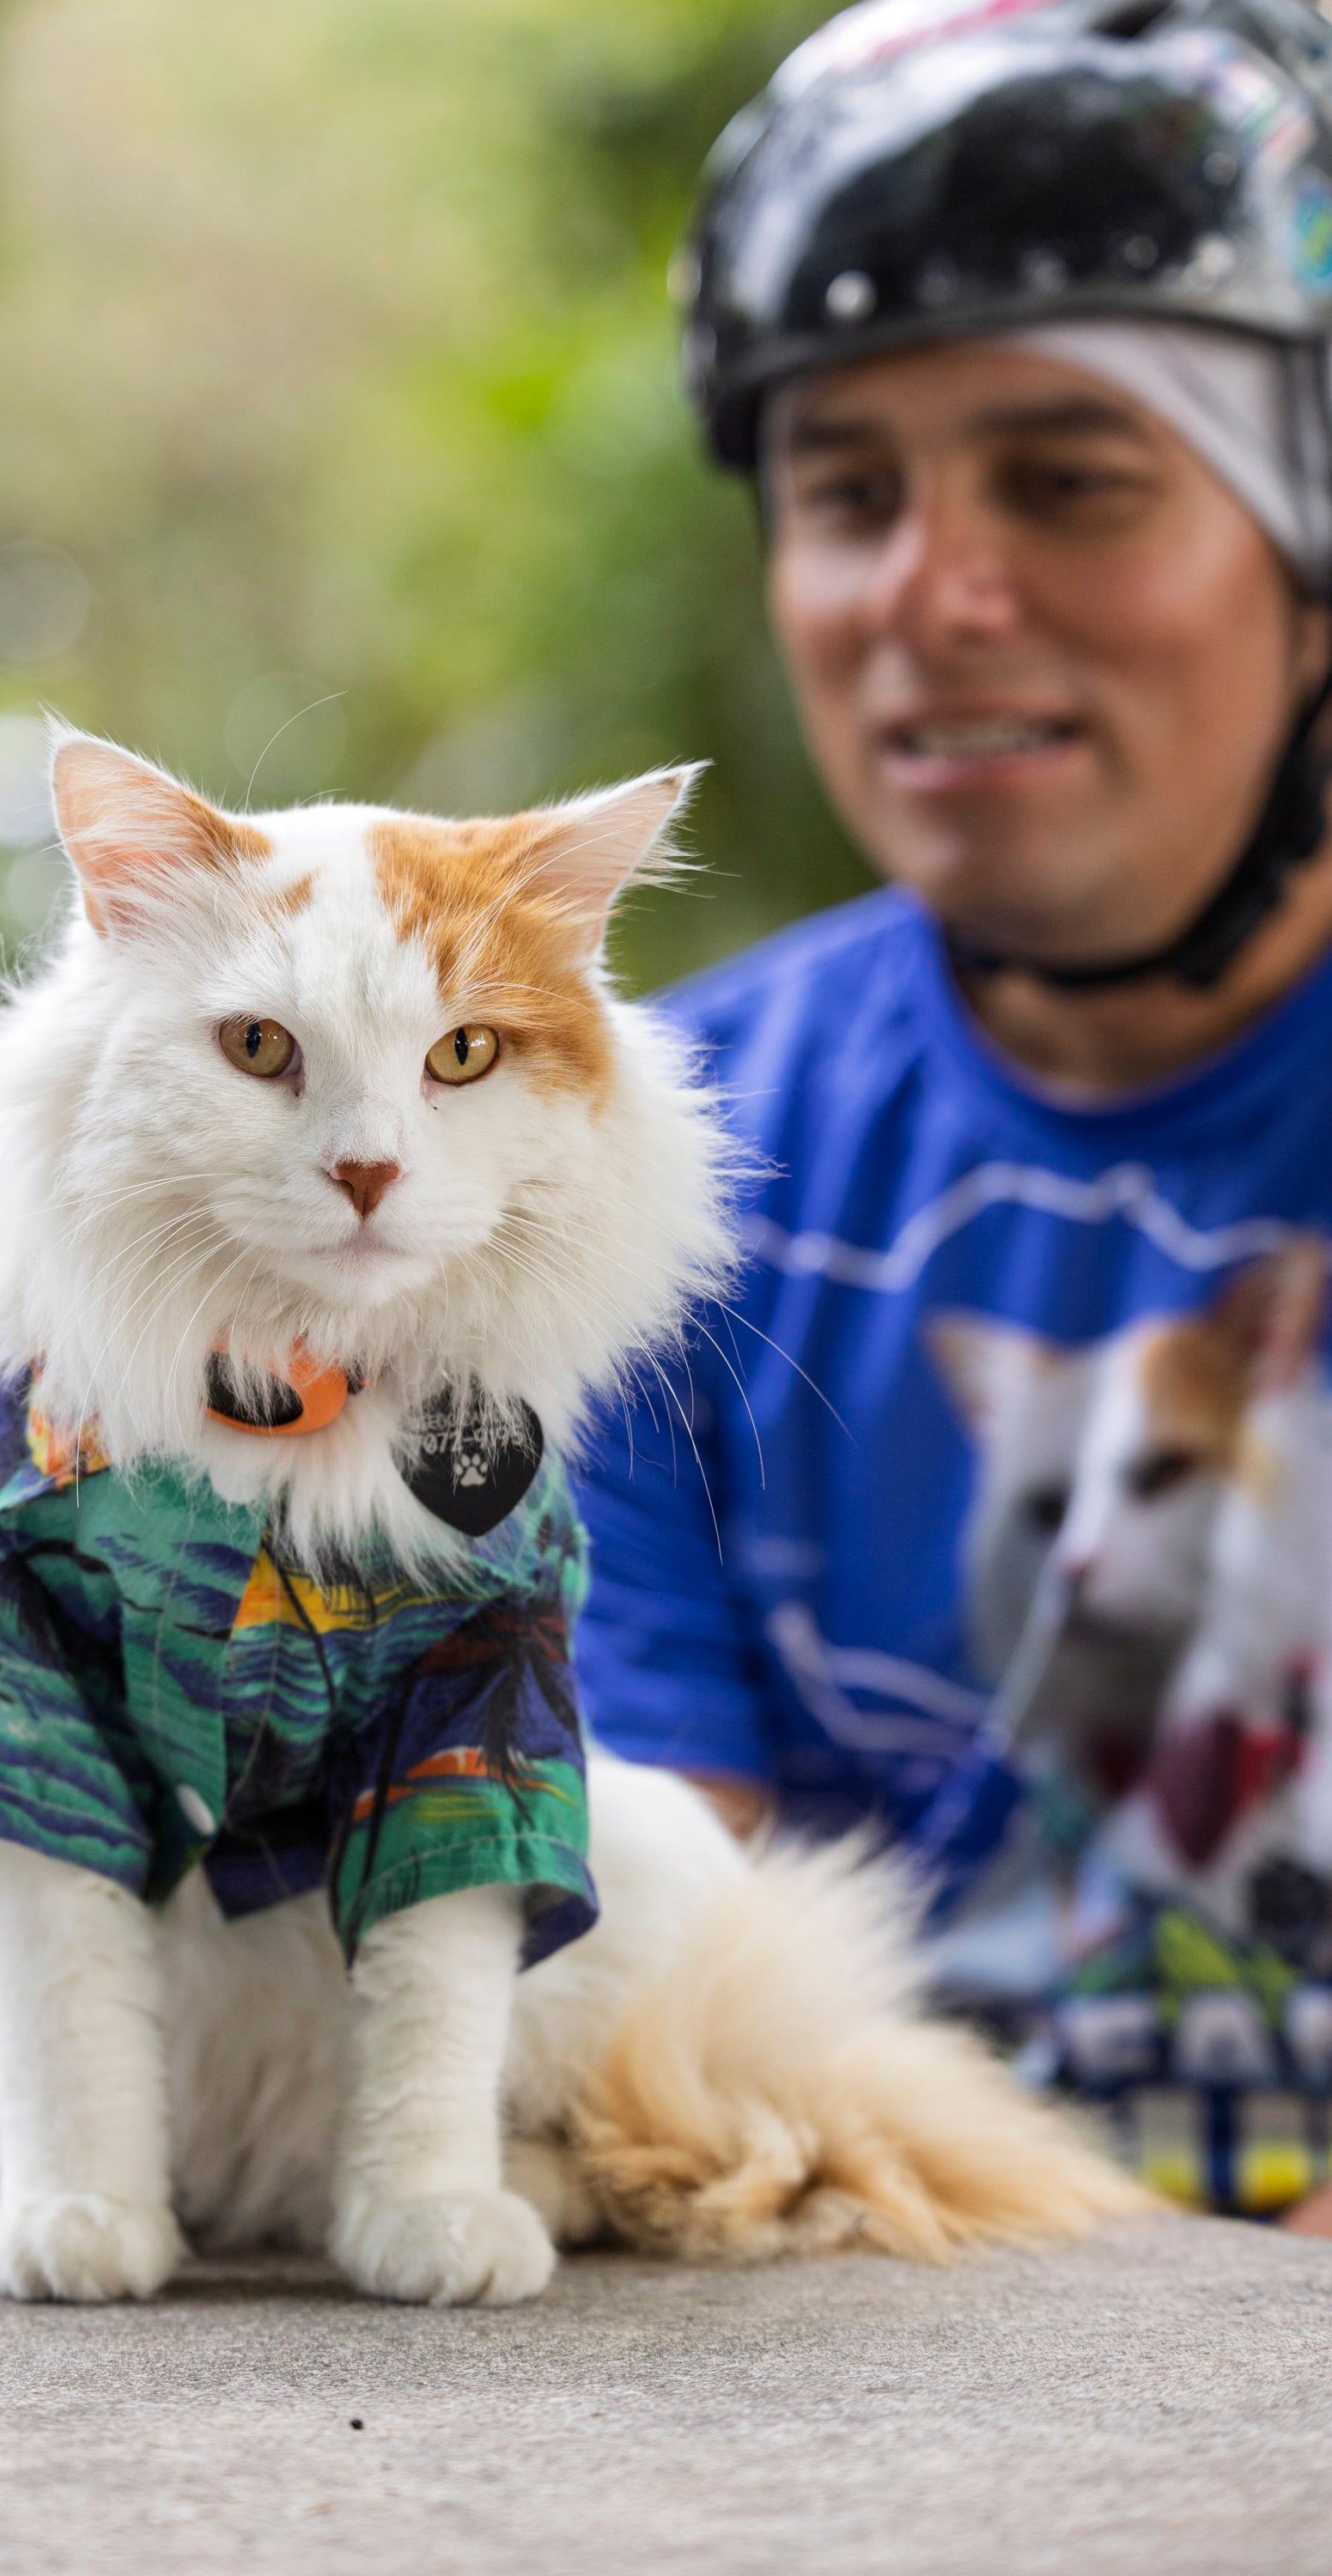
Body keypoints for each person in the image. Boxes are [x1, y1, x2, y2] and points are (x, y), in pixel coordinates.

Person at [573, 0, 1332, 2224]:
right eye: (846, 496)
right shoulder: (632, 1179)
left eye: (1070, 482)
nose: (930, 595)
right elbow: (622, 2013)